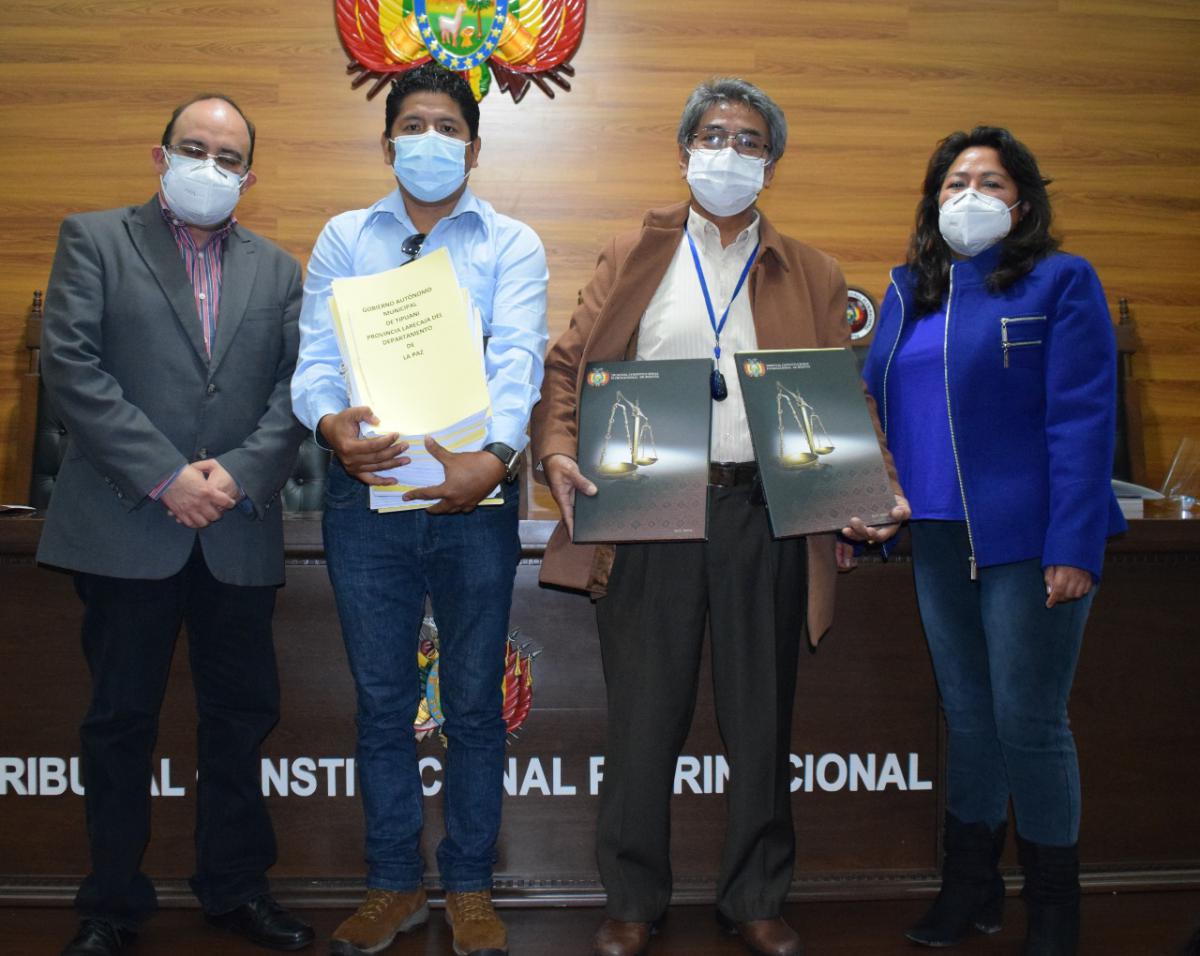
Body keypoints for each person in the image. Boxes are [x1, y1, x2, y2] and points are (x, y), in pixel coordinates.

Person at [530, 77, 908, 956]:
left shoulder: (812, 271)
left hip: (763, 510)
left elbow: (843, 397)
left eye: (748, 140)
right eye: (712, 135)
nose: (727, 152)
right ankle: (632, 900)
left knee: (761, 715)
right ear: (683, 150)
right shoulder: (633, 251)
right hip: (646, 502)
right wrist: (556, 452)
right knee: (643, 716)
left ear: (771, 163)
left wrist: (874, 488)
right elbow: (567, 371)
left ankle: (756, 897)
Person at [37, 94, 313, 955]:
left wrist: (236, 474)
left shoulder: (280, 271)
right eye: (195, 149)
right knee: (119, 721)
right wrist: (167, 477)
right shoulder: (95, 240)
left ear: (249, 178)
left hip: (236, 528)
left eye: (229, 158)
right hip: (128, 525)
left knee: (240, 718)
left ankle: (235, 889)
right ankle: (111, 904)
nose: (210, 167)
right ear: (161, 157)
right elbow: (71, 367)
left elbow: (298, 390)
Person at [290, 63, 548, 956]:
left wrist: (494, 461)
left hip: (475, 498)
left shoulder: (511, 243)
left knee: (474, 704)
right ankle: (393, 883)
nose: (428, 141)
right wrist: (330, 425)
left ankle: (469, 886)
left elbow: (519, 360)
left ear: (473, 150)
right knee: (381, 701)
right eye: (413, 126)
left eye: (447, 128)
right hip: (367, 497)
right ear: (387, 141)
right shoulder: (344, 237)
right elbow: (315, 361)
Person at [861, 126, 1127, 956]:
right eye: (954, 183)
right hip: (937, 536)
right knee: (969, 718)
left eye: (992, 183)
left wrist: (1075, 543)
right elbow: (870, 413)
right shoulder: (907, 290)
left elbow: (1084, 419)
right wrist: (860, 507)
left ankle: (1054, 910)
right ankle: (969, 886)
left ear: (1023, 203)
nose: (970, 195)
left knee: (1029, 722)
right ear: (932, 201)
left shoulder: (1061, 280)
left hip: (1029, 538)